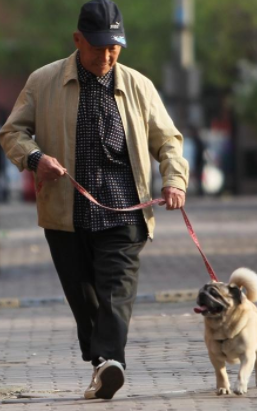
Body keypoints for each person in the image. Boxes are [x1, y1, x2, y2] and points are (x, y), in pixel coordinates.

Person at [0, 0, 188, 400]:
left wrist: (174, 180)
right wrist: (35, 158)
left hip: (125, 210)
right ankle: (102, 363)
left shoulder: (138, 86)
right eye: (98, 46)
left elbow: (168, 140)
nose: (107, 55)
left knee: (116, 289)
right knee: (83, 297)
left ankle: (111, 361)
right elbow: (12, 132)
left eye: (114, 47)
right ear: (77, 40)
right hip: (66, 213)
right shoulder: (43, 81)